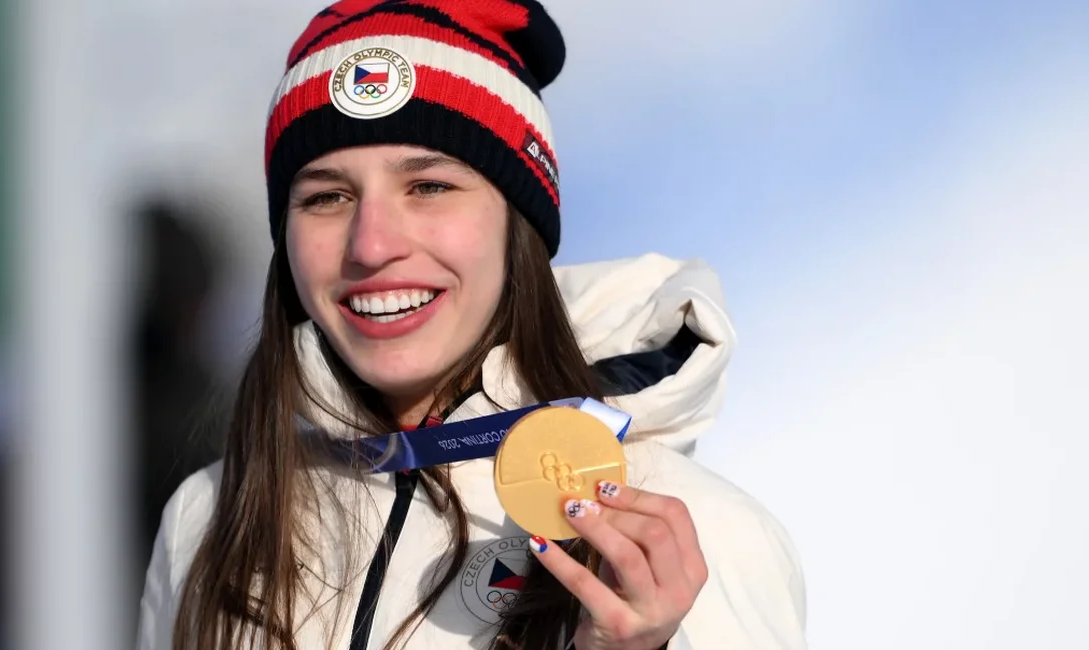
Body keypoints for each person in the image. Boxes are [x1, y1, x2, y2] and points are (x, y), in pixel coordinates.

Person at [138, 2, 807, 649]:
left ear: (518, 226)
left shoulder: (687, 536)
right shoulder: (207, 517)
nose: (371, 245)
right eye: (326, 196)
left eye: (428, 186)